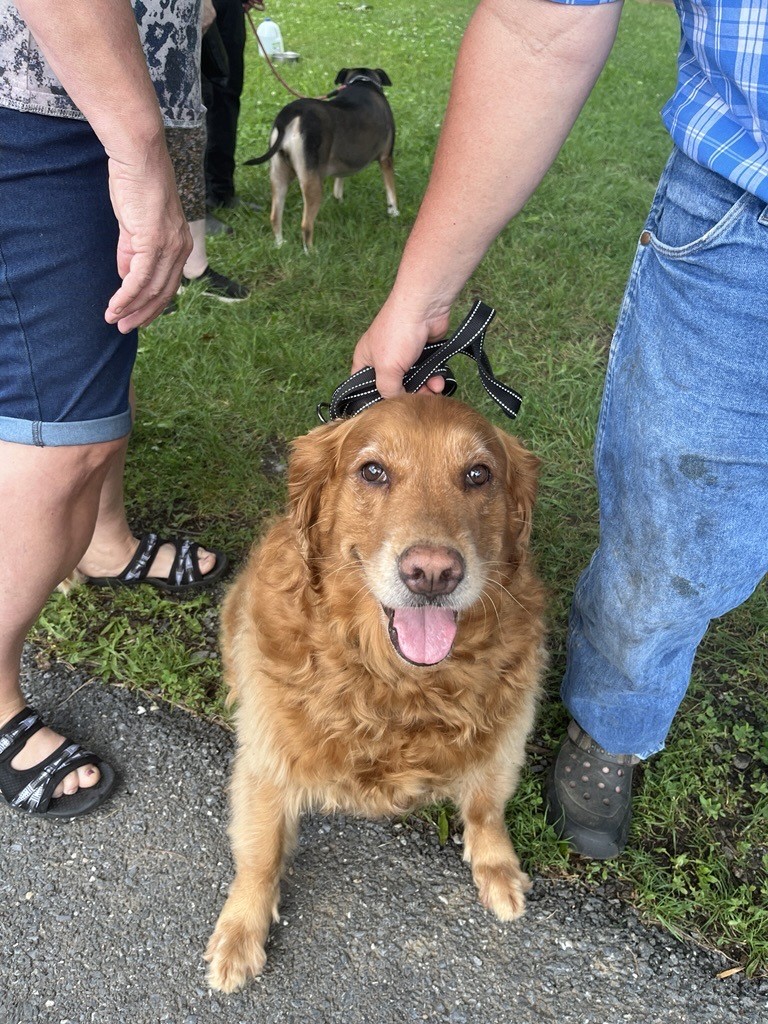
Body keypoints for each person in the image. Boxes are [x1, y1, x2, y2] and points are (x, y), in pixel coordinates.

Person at [352, 0, 768, 859]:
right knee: (673, 551)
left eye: (480, 485)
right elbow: (541, 23)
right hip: (746, 225)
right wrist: (421, 297)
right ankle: (614, 722)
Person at [0, 0, 226, 819]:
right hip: (45, 94)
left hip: (134, 82)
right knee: (57, 431)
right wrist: (134, 151)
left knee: (109, 348)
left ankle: (104, 540)